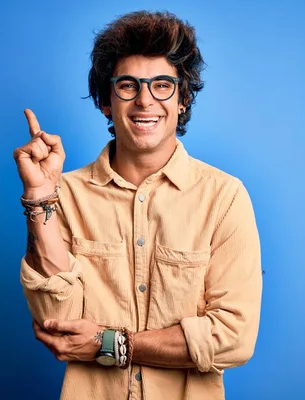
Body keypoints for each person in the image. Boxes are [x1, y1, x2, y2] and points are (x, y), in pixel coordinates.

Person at [14, 10, 263, 400]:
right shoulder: (65, 195)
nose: (146, 100)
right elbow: (59, 328)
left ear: (182, 99)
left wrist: (110, 342)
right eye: (128, 86)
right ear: (105, 103)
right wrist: (41, 197)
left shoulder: (224, 197)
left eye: (163, 85)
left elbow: (234, 338)